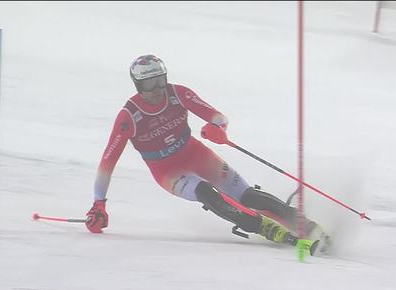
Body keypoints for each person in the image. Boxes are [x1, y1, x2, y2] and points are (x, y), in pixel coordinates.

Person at [85, 54, 329, 254]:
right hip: (168, 171)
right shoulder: (129, 116)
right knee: (205, 192)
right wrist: (99, 204)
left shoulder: (178, 93)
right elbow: (107, 163)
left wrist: (217, 129)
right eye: (150, 84)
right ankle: (264, 228)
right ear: (138, 85)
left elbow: (217, 116)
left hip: (195, 153)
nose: (158, 89)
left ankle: (308, 227)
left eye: (160, 80)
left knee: (246, 195)